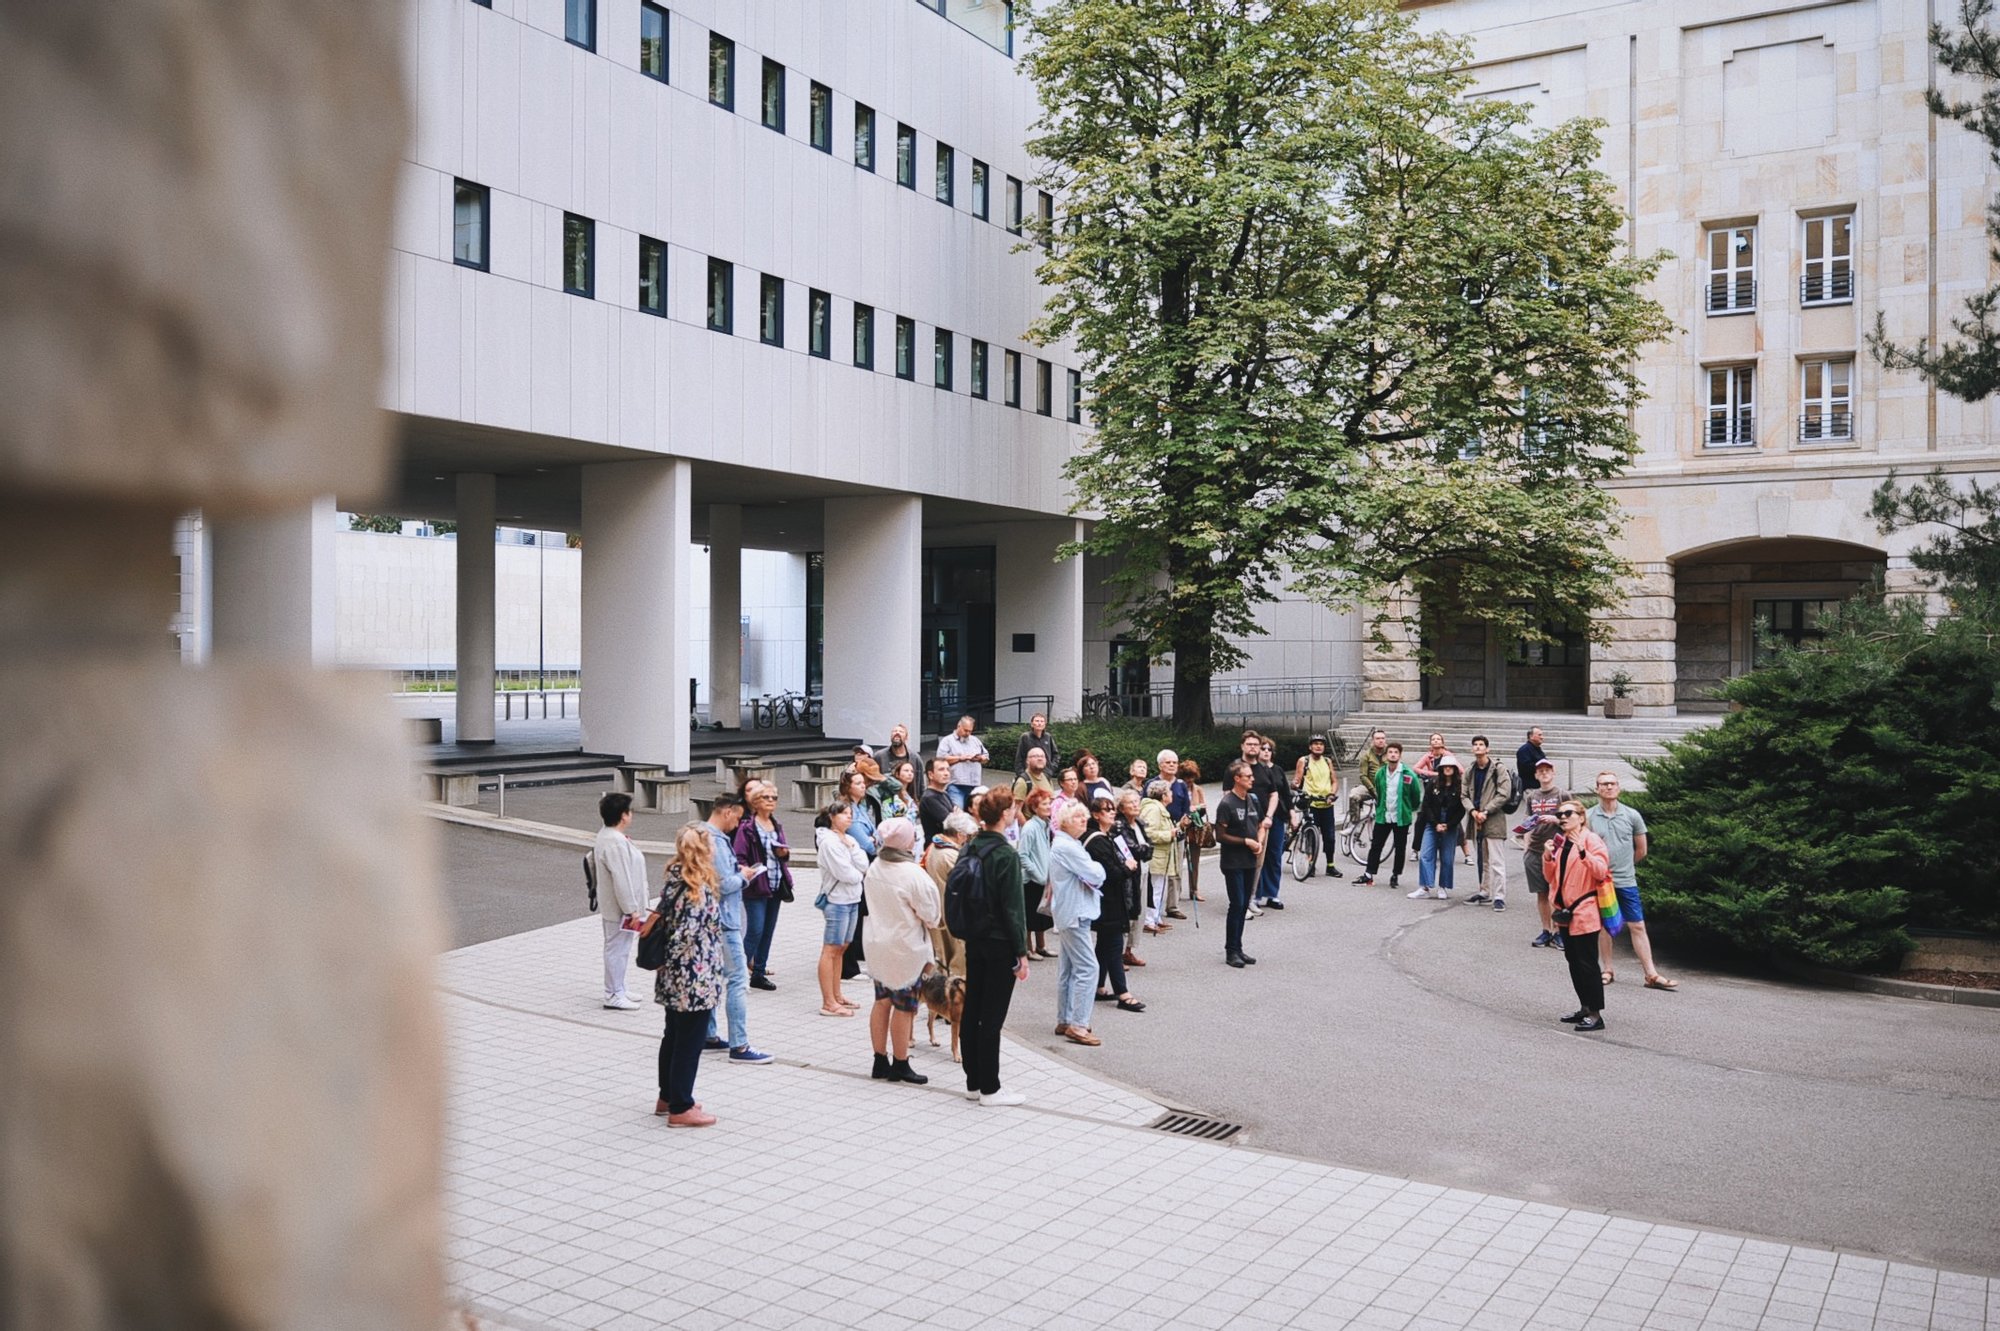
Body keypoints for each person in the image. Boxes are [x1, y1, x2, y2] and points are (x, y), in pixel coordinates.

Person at [652, 823, 726, 1127]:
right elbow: (686, 935)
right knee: (689, 1042)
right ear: (703, 850)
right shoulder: (698, 889)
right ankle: (681, 1107)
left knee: (672, 1035)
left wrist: (666, 964)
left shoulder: (674, 879)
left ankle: (668, 1096)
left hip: (673, 977)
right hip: (695, 978)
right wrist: (676, 960)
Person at [961, 790, 1030, 1106]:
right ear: (1004, 814)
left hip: (974, 937)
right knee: (992, 1016)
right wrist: (1021, 951)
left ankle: (973, 1082)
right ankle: (990, 1088)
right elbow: (1013, 908)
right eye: (1013, 808)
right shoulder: (1005, 854)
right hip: (1000, 941)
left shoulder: (970, 845)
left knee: (972, 1008)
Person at [862, 819, 941, 1084]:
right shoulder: (913, 874)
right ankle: (901, 1062)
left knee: (882, 1000)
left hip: (877, 942)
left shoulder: (875, 866)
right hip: (906, 948)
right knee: (904, 1006)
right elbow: (931, 915)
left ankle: (879, 1060)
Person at [1589, 773, 1677, 990]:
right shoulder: (1589, 816)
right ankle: (1607, 970)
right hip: (1601, 882)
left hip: (1627, 881)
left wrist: (1625, 866)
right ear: (1597, 789)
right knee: (1605, 927)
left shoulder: (1632, 815)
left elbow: (1642, 850)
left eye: (1612, 783)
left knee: (1637, 925)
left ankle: (1651, 974)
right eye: (1604, 784)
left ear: (1618, 787)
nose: (1609, 787)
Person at [702, 794, 773, 1063]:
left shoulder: (700, 834)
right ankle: (740, 1045)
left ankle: (708, 1034)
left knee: (711, 977)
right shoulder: (717, 840)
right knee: (738, 980)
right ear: (727, 812)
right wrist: (743, 876)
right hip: (725, 919)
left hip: (709, 920)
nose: (738, 824)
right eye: (738, 817)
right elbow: (722, 884)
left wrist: (736, 872)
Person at [1543, 801, 1611, 1032]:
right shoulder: (1561, 842)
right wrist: (1548, 857)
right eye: (1559, 814)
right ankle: (1584, 1007)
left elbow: (1601, 871)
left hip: (1584, 910)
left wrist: (1583, 852)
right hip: (1564, 913)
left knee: (1587, 963)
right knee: (1573, 962)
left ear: (1581, 817)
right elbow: (1551, 877)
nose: (1562, 817)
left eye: (1568, 813)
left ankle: (1595, 1014)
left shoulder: (1591, 840)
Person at [1047, 800, 1107, 1045]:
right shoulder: (1068, 847)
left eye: (1084, 816)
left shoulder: (1065, 844)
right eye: (1077, 817)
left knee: (1069, 967)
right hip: (1075, 912)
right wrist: (1098, 868)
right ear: (1063, 822)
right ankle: (1079, 1024)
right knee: (1088, 968)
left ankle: (1065, 1019)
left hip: (1069, 911)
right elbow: (1095, 873)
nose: (1083, 820)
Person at [1084, 795, 1145, 1014]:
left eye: (1112, 809)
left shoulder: (1107, 836)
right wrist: (1128, 867)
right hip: (1107, 900)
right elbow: (1111, 873)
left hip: (1109, 899)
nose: (1112, 812)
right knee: (1114, 945)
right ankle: (1123, 993)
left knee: (1104, 944)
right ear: (1095, 815)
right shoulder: (1097, 841)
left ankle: (1098, 986)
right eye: (1106, 810)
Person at [591, 791, 651, 1010]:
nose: (631, 815)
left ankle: (619, 988)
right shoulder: (614, 842)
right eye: (629, 811)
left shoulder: (609, 836)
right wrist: (632, 909)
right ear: (623, 815)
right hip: (620, 908)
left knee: (621, 948)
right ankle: (613, 993)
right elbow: (622, 879)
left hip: (619, 906)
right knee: (616, 949)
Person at [732, 780, 791, 992]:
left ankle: (758, 973)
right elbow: (738, 857)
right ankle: (738, 972)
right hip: (756, 885)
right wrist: (748, 869)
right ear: (756, 801)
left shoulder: (776, 825)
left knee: (768, 930)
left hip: (776, 883)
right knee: (755, 929)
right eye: (766, 797)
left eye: (774, 798)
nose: (771, 801)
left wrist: (784, 853)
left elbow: (783, 854)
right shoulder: (747, 827)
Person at [812, 799, 868, 1016]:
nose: (849, 817)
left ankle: (837, 995)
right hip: (837, 901)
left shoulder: (849, 839)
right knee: (831, 949)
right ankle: (828, 1002)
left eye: (850, 813)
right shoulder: (828, 843)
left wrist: (852, 849)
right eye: (844, 813)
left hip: (852, 898)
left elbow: (863, 864)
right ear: (832, 817)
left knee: (842, 947)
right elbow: (846, 873)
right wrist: (858, 874)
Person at [1213, 759, 1262, 968]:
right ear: (1237, 779)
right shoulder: (1226, 804)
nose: (1252, 779)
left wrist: (1258, 841)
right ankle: (1231, 951)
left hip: (1250, 860)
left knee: (1244, 906)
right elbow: (1220, 835)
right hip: (1233, 862)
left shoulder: (1252, 799)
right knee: (1237, 904)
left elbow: (1258, 824)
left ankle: (1239, 947)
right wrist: (1246, 842)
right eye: (1248, 776)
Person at [1520, 758, 1571, 948]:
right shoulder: (1532, 796)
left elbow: (1575, 819)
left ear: (1553, 773)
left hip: (1557, 849)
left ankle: (1558, 930)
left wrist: (1556, 819)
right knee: (1541, 892)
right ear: (1535, 775)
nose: (1544, 773)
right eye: (1540, 771)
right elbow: (1526, 823)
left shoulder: (1562, 795)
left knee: (1556, 892)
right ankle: (1546, 930)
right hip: (1535, 850)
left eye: (1547, 770)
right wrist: (1526, 846)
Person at [1358, 743, 1422, 888]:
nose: (1393, 754)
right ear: (1386, 755)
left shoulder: (1408, 774)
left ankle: (1395, 875)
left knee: (1400, 848)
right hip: (1384, 815)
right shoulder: (1380, 773)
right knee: (1376, 845)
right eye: (1390, 752)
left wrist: (1408, 809)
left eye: (1396, 752)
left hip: (1401, 817)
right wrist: (1380, 807)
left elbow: (1416, 796)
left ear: (1400, 755)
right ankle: (1369, 873)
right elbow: (1379, 791)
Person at [1464, 736, 1516, 909]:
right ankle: (1484, 890)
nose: (1478, 747)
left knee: (1496, 861)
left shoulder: (1498, 769)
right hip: (1476, 819)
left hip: (1493, 819)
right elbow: (1463, 794)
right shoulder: (1470, 770)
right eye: (1475, 745)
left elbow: (1504, 793)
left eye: (1481, 745)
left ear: (1487, 749)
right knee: (1483, 859)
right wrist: (1473, 811)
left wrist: (1486, 811)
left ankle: (1499, 896)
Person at [924, 810, 976, 979]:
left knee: (943, 957)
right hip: (952, 912)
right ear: (960, 835)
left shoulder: (934, 847)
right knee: (957, 961)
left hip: (939, 908)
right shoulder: (951, 855)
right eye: (969, 835)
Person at [1413, 754, 1467, 900]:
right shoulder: (1433, 783)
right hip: (1433, 822)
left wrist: (1448, 825)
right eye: (1445, 767)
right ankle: (1425, 886)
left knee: (1447, 857)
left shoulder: (1460, 786)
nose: (1447, 769)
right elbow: (1426, 804)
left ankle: (1443, 886)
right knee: (1426, 854)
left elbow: (1462, 809)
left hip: (1451, 824)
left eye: (1450, 767)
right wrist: (1435, 823)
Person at [1292, 733, 1344, 880]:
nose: (1318, 746)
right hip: (1311, 804)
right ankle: (1311, 865)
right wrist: (1295, 785)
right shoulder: (1304, 760)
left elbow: (1334, 781)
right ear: (1310, 747)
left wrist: (1332, 794)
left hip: (1326, 804)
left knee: (1330, 837)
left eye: (1321, 744)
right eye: (1315, 744)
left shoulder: (1327, 761)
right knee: (1311, 836)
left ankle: (1330, 865)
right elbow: (1297, 779)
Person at [1015, 786, 1057, 959]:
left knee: (1042, 914)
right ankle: (1028, 948)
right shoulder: (1030, 827)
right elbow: (1022, 855)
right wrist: (1037, 874)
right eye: (1044, 804)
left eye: (1049, 803)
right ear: (1034, 807)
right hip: (1031, 879)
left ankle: (1041, 946)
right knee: (1030, 916)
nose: (1048, 807)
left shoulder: (1045, 825)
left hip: (1043, 877)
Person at [1251, 734, 1291, 910]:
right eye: (1263, 748)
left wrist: (1292, 813)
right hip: (1257, 817)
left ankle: (1272, 893)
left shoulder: (1278, 770)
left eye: (1269, 749)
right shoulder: (1253, 770)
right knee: (1258, 854)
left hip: (1277, 817)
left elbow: (1286, 794)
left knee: (1274, 856)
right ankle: (1256, 893)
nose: (1266, 752)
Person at [1137, 778, 1180, 934]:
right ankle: (1149, 920)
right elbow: (1148, 833)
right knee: (1154, 889)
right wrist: (1169, 834)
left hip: (1161, 856)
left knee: (1159, 888)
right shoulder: (1154, 809)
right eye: (1169, 792)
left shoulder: (1159, 808)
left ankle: (1156, 918)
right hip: (1156, 856)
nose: (1172, 794)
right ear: (1163, 795)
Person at [936, 715, 989, 810]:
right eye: (965, 730)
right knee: (958, 812)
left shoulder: (975, 740)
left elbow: (986, 757)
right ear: (958, 726)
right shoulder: (947, 741)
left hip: (974, 785)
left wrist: (981, 758)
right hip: (956, 785)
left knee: (975, 813)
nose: (968, 733)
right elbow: (940, 760)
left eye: (970, 731)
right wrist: (960, 758)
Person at [1178, 757, 1208, 905]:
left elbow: (1204, 807)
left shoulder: (1198, 789)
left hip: (1195, 828)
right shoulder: (1177, 788)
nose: (1189, 780)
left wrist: (1197, 808)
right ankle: (1176, 891)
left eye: (1192, 777)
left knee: (1194, 861)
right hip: (1180, 827)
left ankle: (1194, 890)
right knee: (1178, 861)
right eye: (1187, 777)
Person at [1349, 729, 1388, 831]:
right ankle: (1354, 825)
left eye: (1383, 738)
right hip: (1369, 786)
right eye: (1378, 738)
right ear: (1373, 740)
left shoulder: (1391, 753)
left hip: (1386, 787)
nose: (1381, 741)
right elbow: (1363, 776)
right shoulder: (1366, 755)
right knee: (1354, 795)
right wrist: (1373, 790)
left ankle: (1401, 824)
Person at [839, 769, 883, 858]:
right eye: (858, 783)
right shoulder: (849, 812)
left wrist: (874, 838)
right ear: (848, 787)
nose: (863, 786)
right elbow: (866, 845)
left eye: (863, 783)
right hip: (861, 857)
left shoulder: (861, 807)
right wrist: (875, 841)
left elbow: (876, 831)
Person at [918, 756, 956, 843]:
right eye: (941, 770)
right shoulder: (929, 798)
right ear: (930, 775)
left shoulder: (945, 794)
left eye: (948, 769)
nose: (946, 773)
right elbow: (951, 823)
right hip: (936, 846)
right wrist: (956, 816)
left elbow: (959, 816)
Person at [875, 758, 920, 823]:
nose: (910, 773)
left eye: (912, 771)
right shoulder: (890, 795)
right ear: (897, 774)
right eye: (906, 771)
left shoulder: (910, 795)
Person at [1515, 726, 1547, 798]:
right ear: (1531, 736)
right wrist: (1541, 766)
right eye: (1539, 735)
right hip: (1530, 788)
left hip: (1539, 787)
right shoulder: (1524, 750)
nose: (1542, 737)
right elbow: (1526, 768)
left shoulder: (1537, 749)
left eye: (1542, 735)